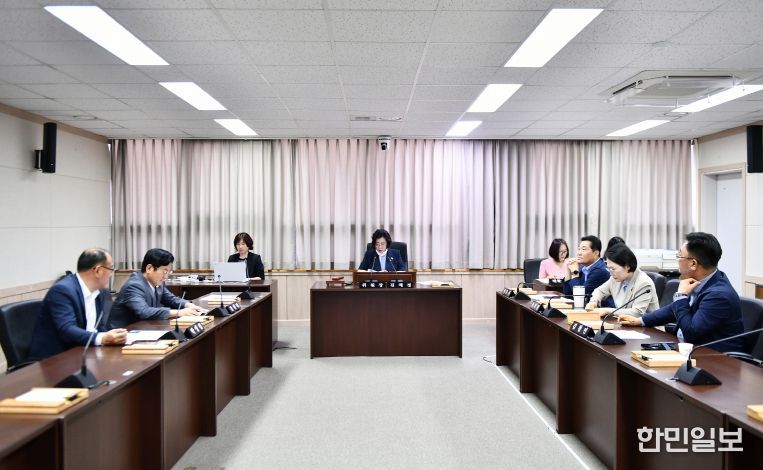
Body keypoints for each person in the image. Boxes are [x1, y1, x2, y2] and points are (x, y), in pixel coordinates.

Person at [619, 232, 743, 353]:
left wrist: (681, 297)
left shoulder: (719, 295)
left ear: (693, 264)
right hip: (690, 350)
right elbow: (673, 309)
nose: (677, 259)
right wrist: (640, 321)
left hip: (714, 359)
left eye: (679, 256)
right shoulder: (702, 281)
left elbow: (691, 333)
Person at [27, 248, 127, 361]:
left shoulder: (100, 292)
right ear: (98, 271)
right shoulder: (62, 290)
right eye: (111, 269)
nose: (111, 274)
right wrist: (102, 338)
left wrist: (112, 336)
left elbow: (99, 327)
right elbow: (67, 330)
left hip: (84, 353)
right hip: (54, 360)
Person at [108, 248, 205, 329]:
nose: (166, 276)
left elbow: (171, 299)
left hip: (144, 328)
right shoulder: (134, 285)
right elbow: (144, 312)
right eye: (165, 271)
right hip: (123, 333)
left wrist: (188, 305)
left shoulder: (157, 282)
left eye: (169, 272)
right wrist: (179, 312)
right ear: (149, 268)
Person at [585, 243, 659, 317]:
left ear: (627, 266)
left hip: (646, 324)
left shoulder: (643, 283)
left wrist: (607, 311)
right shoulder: (615, 278)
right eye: (609, 269)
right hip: (624, 322)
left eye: (613, 269)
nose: (611, 273)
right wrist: (593, 302)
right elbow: (600, 291)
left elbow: (637, 312)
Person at [563, 235, 612, 307]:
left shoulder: (600, 271)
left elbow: (580, 296)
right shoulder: (583, 267)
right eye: (579, 249)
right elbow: (568, 294)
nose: (579, 253)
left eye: (583, 249)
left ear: (596, 253)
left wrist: (574, 272)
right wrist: (568, 269)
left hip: (601, 311)